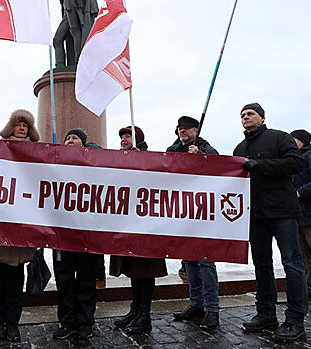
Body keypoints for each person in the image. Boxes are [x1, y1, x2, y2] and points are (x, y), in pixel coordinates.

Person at [234, 103, 308, 341]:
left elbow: (296, 163)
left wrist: (261, 165)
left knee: (293, 264)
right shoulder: (239, 148)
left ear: (262, 118)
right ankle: (265, 313)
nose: (246, 117)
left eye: (250, 114)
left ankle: (295, 319)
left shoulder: (279, 138)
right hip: (256, 216)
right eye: (243, 115)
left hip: (283, 212)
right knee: (262, 265)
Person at [0, 109, 39, 342]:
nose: (22, 128)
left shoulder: (38, 152)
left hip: (22, 228)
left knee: (16, 282)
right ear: (11, 127)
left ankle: (13, 323)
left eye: (26, 125)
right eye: (18, 124)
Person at [111, 126, 168, 335]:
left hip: (147, 227)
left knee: (146, 270)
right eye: (122, 136)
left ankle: (145, 315)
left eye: (128, 135)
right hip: (128, 226)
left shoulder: (149, 159)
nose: (124, 139)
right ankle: (135, 310)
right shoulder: (118, 160)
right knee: (134, 270)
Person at [168, 116, 220, 331]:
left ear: (196, 130)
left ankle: (212, 309)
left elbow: (219, 168)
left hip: (203, 212)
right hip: (182, 213)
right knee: (188, 260)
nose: (183, 131)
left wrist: (202, 157)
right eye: (180, 128)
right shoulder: (173, 150)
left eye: (187, 128)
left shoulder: (207, 149)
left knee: (206, 262)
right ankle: (196, 304)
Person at [52, 128, 99, 340]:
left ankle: (86, 322)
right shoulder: (55, 165)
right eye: (67, 138)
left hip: (87, 234)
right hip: (61, 234)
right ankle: (67, 322)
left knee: (86, 280)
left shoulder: (95, 163)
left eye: (75, 138)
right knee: (65, 280)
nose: (70, 141)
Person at [290, 129, 311, 303]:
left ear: (301, 141)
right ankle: (309, 288)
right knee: (304, 255)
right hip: (298, 214)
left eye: (293, 139)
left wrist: (300, 193)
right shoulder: (295, 159)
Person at [53, 0, 99, 68]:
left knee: (75, 31)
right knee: (57, 40)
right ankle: (60, 65)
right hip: (67, 5)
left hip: (73, 3)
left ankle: (78, 61)